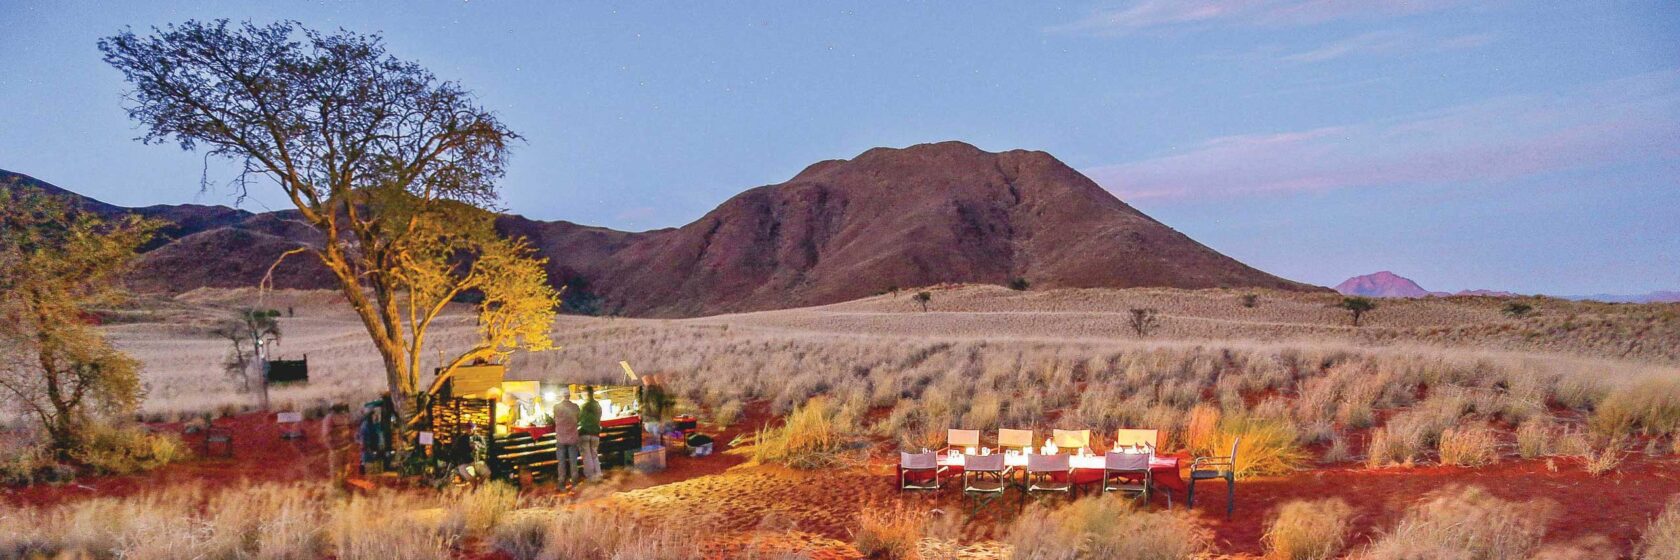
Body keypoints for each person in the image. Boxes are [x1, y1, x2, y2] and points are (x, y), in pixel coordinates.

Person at [551, 386, 582, 488]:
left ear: (561, 396)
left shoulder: (556, 407)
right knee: (573, 461)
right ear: (569, 395)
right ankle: (575, 483)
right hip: (573, 437)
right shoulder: (575, 407)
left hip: (561, 438)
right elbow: (578, 419)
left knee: (561, 462)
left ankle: (561, 483)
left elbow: (554, 419)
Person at [578, 385, 603, 481]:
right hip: (595, 433)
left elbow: (578, 419)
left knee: (587, 455)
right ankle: (598, 474)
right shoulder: (598, 405)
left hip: (584, 433)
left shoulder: (584, 406)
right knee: (594, 454)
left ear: (585, 393)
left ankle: (591, 477)